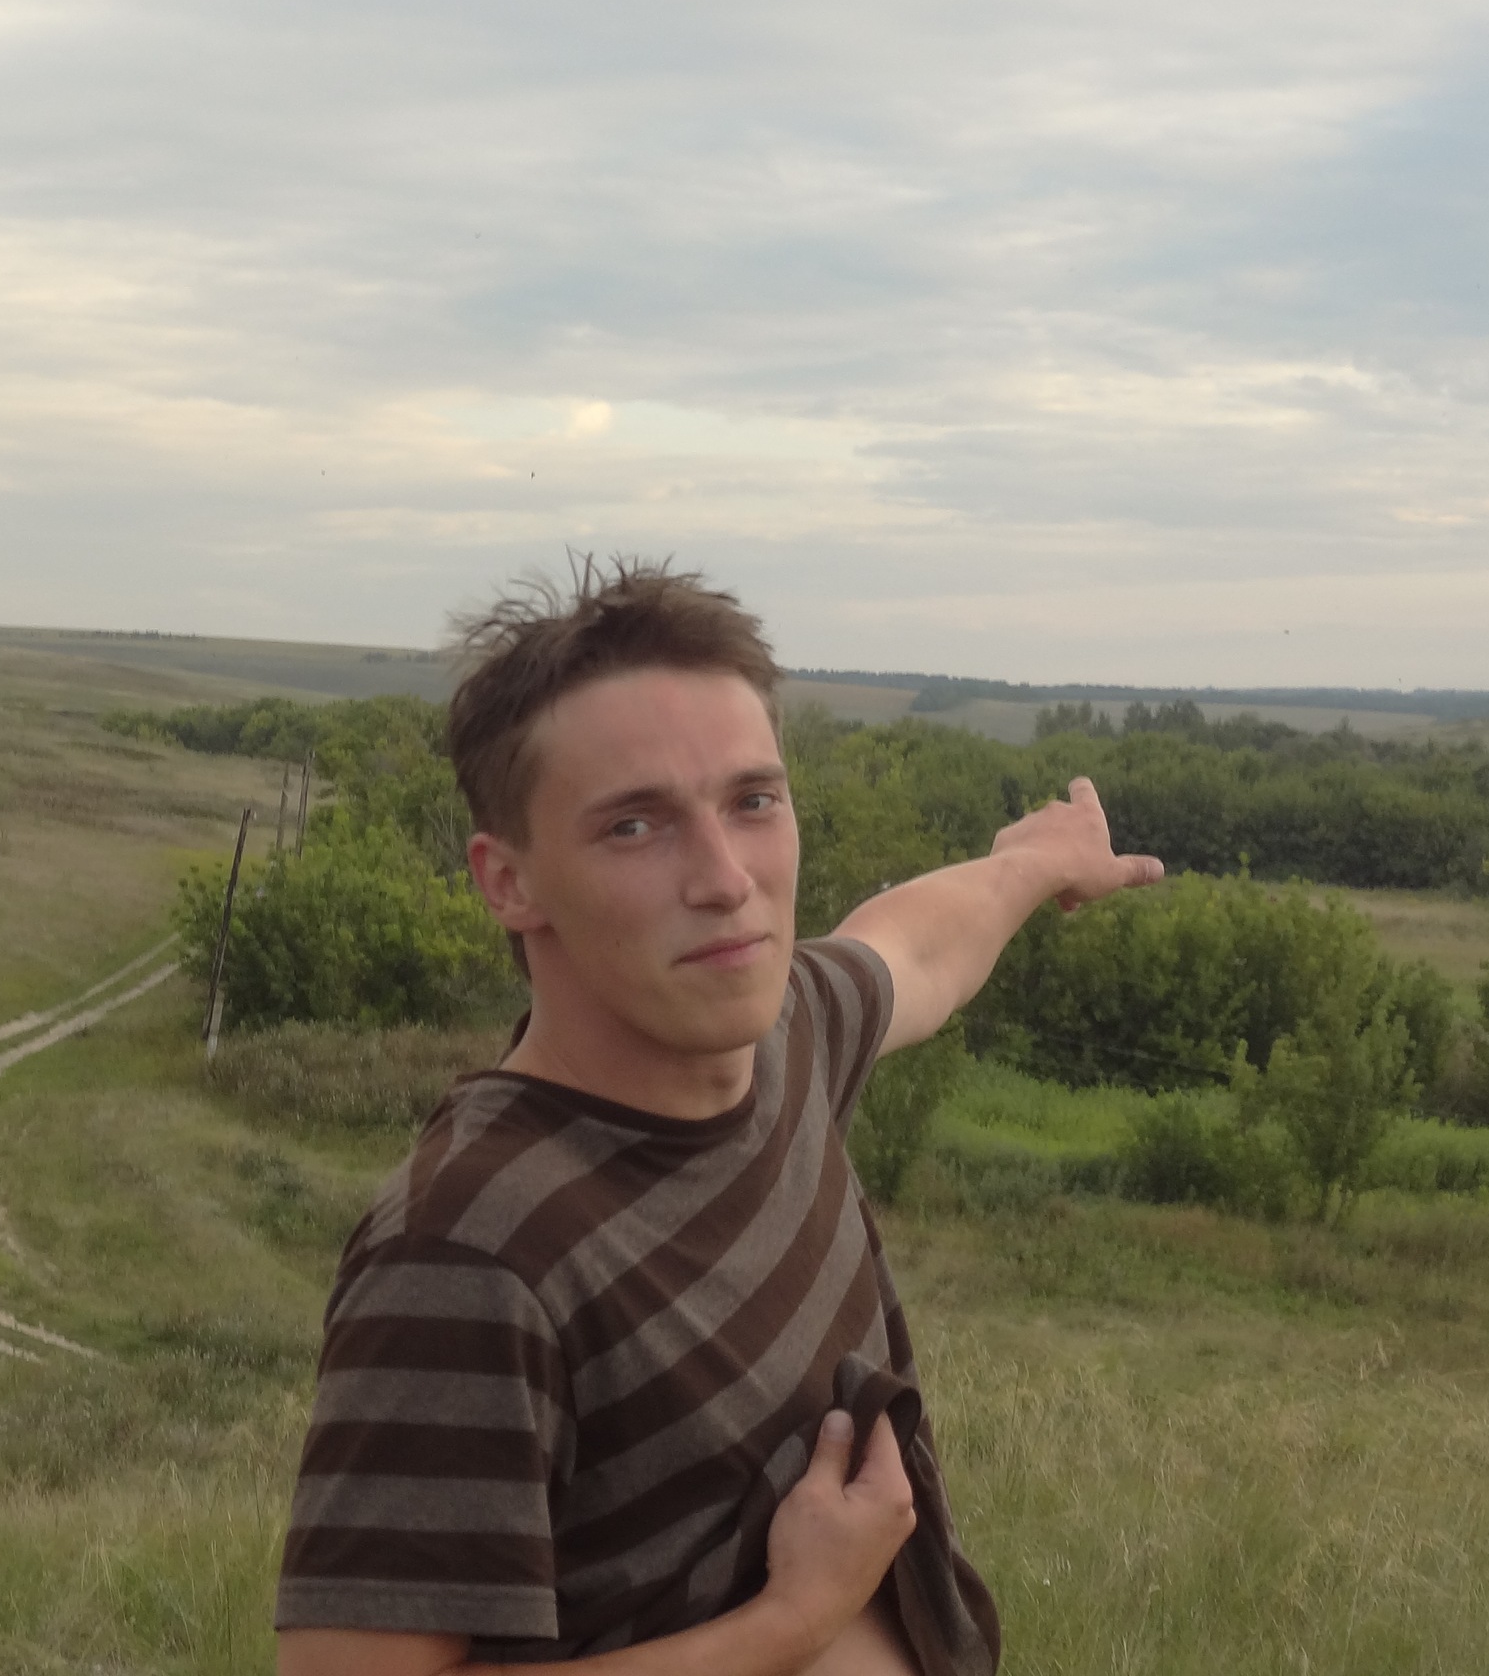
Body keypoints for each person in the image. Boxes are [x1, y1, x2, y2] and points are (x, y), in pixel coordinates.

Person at [272, 561, 1163, 1676]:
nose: (727, 880)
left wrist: (1030, 864)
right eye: (635, 826)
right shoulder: (471, 1251)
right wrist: (790, 1624)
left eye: (752, 802)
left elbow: (914, 948)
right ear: (509, 883)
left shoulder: (782, 1040)